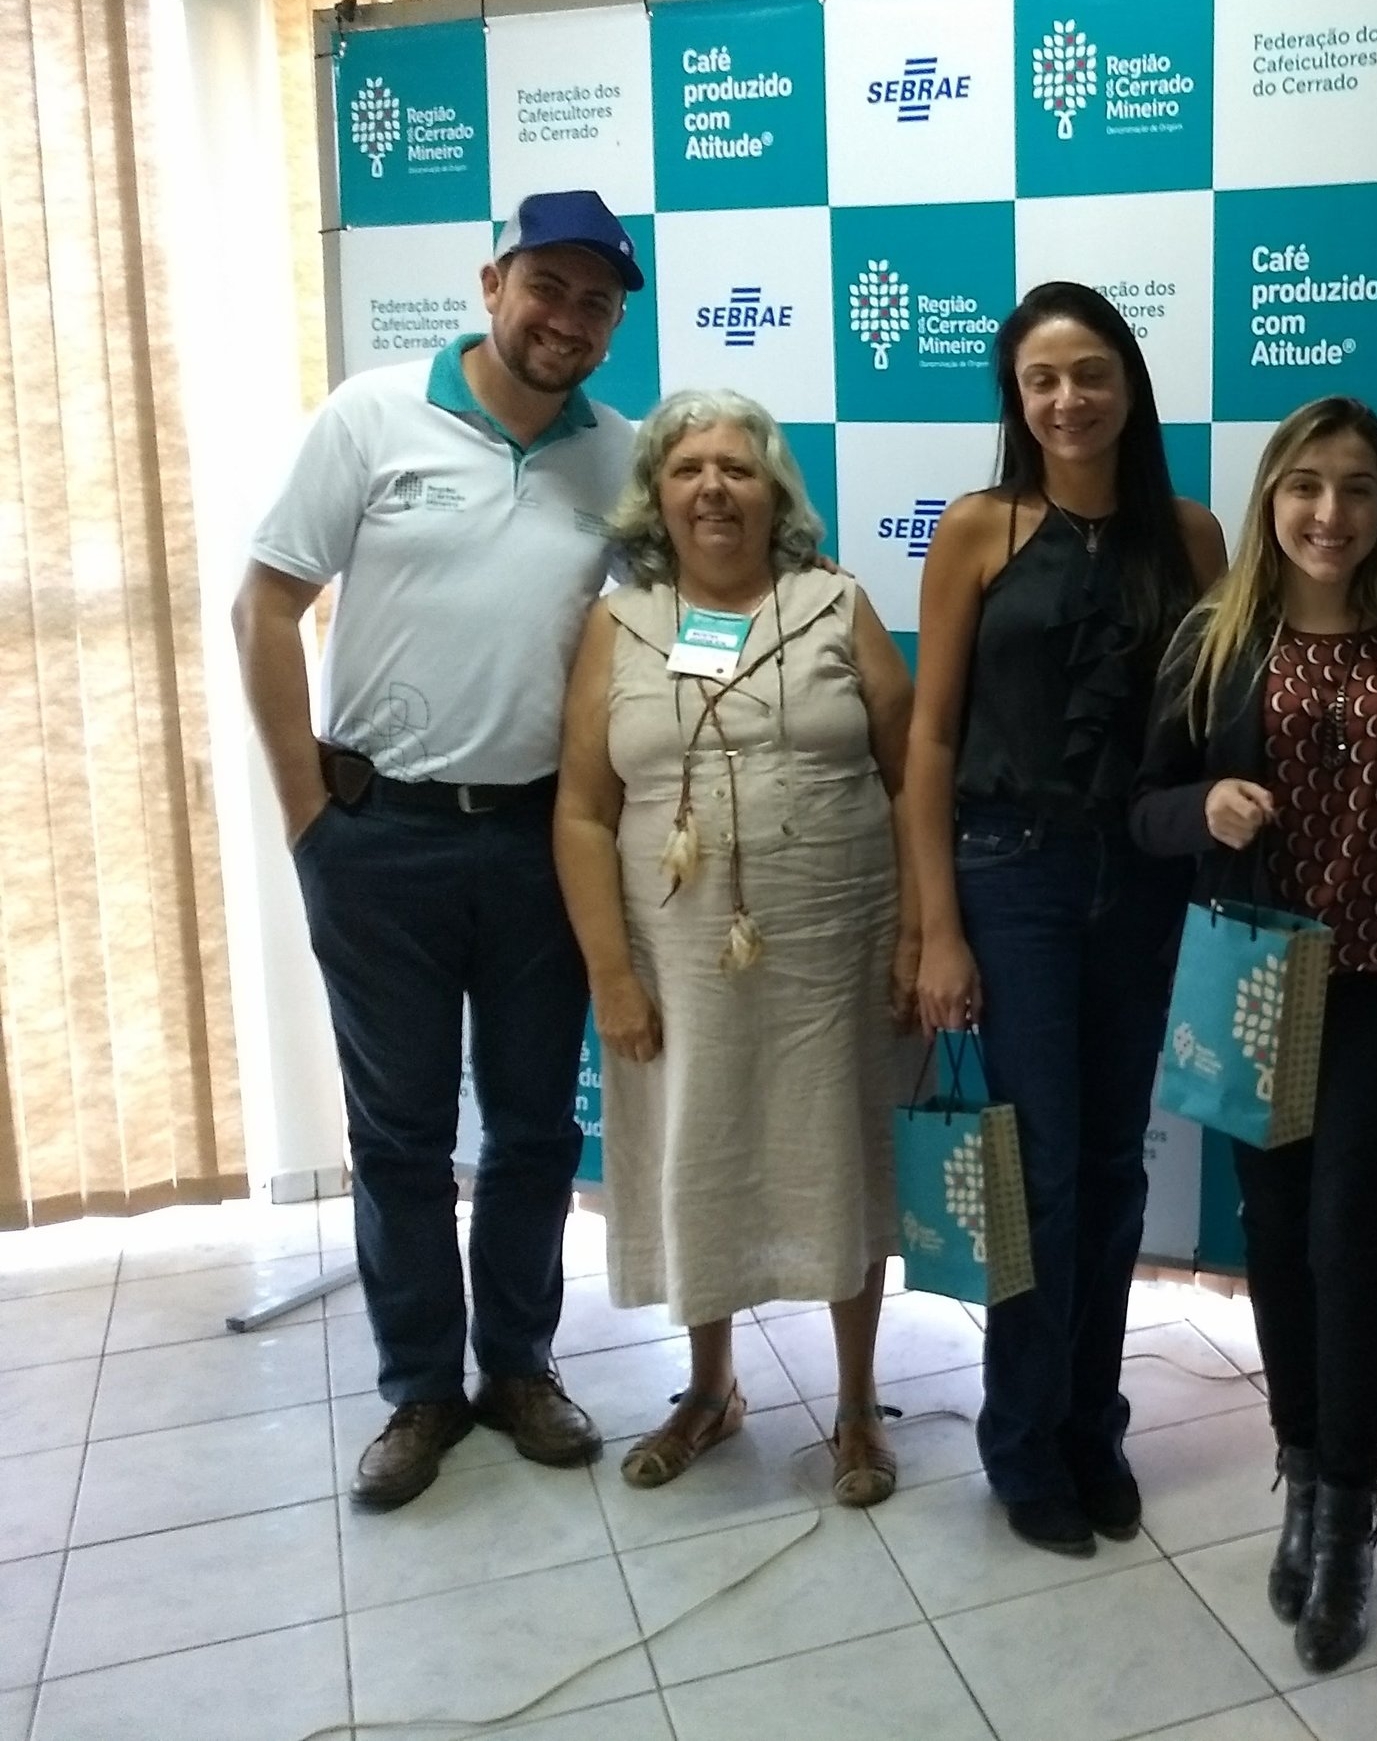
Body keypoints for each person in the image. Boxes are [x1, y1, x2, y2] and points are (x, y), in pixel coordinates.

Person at [236, 191, 642, 1510]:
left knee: (531, 1128)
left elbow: (674, 630)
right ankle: (420, 1389)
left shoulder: (623, 458)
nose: (567, 319)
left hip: (541, 842)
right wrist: (308, 815)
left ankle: (518, 1367)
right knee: (400, 1133)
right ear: (491, 282)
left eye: (596, 302)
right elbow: (267, 603)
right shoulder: (371, 416)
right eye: (550, 287)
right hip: (380, 838)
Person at [901, 282, 1229, 1556]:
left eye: (1090, 373)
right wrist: (935, 927)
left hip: (1138, 879)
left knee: (1109, 1167)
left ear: (1129, 384)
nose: (1067, 399)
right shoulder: (980, 530)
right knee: (1038, 1170)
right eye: (1042, 380)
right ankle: (1023, 1440)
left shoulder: (1191, 536)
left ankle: (1095, 1424)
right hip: (1012, 875)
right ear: (1016, 399)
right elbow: (930, 738)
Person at [1132, 398, 1377, 1672]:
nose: (1331, 512)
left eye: (1359, 488)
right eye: (1307, 486)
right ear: (1270, 498)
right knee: (1270, 1229)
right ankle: (1303, 1476)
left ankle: (1353, 1510)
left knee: (1341, 1228)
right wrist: (1199, 805)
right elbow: (1139, 808)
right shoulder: (1216, 641)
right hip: (1253, 979)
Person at [549, 390, 914, 1498]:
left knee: (841, 1154)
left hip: (836, 950)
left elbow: (910, 774)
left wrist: (915, 937)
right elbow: (578, 809)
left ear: (776, 492)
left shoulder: (832, 601)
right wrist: (610, 973)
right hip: (676, 960)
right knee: (692, 1154)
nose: (714, 488)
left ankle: (857, 1405)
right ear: (656, 492)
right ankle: (710, 1390)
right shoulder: (621, 624)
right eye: (689, 467)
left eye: (739, 468)